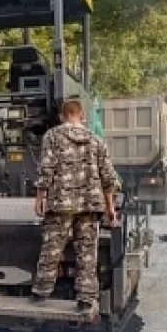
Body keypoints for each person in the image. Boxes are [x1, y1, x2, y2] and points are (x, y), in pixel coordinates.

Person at [31, 99, 120, 317]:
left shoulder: (52, 136)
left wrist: (40, 196)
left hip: (61, 203)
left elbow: (46, 169)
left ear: (62, 116)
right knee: (87, 253)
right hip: (90, 204)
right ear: (82, 116)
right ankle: (85, 299)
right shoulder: (96, 140)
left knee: (52, 248)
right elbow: (108, 177)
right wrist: (111, 209)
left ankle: (41, 292)